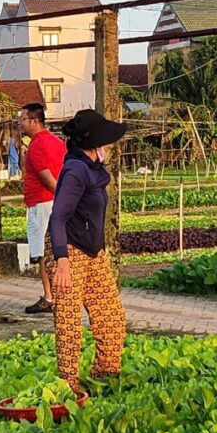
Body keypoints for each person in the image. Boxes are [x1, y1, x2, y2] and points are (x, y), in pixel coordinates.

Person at [49, 107, 128, 397]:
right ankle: (68, 389)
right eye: (105, 141)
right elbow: (57, 218)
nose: (108, 146)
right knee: (70, 324)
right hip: (67, 251)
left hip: (93, 253)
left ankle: (104, 376)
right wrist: (62, 262)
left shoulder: (93, 167)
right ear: (93, 144)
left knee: (112, 316)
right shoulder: (75, 171)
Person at [19, 102, 66, 314]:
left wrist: (61, 194)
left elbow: (46, 177)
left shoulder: (37, 145)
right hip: (53, 202)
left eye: (23, 119)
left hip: (42, 202)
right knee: (57, 249)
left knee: (43, 252)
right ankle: (59, 295)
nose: (20, 123)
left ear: (35, 121)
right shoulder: (57, 142)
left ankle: (49, 297)